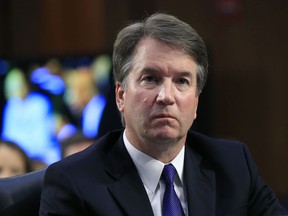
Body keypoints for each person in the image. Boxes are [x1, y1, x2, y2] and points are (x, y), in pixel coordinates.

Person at [40, 13, 288, 216]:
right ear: (121, 96)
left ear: (196, 101)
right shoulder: (73, 182)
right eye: (150, 79)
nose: (166, 96)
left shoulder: (232, 164)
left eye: (182, 81)